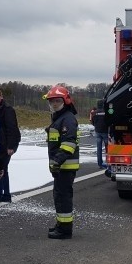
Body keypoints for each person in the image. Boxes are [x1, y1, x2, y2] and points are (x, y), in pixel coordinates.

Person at [44, 85, 79, 239]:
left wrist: (57, 161)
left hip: (65, 165)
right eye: (52, 102)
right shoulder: (60, 118)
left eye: (57, 101)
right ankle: (61, 224)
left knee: (63, 197)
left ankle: (65, 230)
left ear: (65, 101)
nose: (54, 104)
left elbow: (69, 143)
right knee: (59, 196)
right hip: (60, 166)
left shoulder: (67, 119)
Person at [0, 88, 21, 203]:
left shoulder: (8, 110)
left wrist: (11, 146)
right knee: (3, 169)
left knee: (0, 168)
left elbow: (12, 128)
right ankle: (5, 195)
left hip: (7, 145)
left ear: (1, 97)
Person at [91, 98, 108, 168]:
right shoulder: (106, 112)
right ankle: (109, 163)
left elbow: (92, 122)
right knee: (108, 148)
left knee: (99, 149)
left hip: (98, 132)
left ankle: (100, 164)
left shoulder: (94, 113)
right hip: (105, 132)